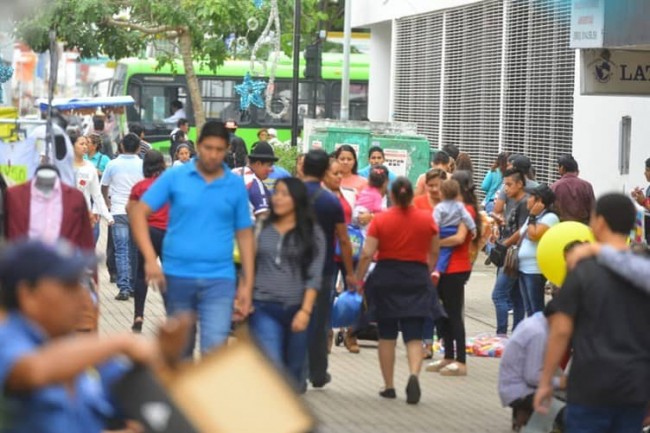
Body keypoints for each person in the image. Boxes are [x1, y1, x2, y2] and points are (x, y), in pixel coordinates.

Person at [0, 239, 160, 433]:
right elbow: (30, 370)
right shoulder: (8, 339)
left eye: (81, 284)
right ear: (28, 295)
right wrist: (121, 342)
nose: (83, 297)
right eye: (68, 285)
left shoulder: (77, 350)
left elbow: (128, 391)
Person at [131, 120, 255, 355]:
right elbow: (138, 213)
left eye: (219, 150)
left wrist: (248, 284)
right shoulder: (176, 177)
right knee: (181, 349)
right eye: (208, 148)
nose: (213, 155)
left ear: (227, 149)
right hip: (178, 276)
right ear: (198, 145)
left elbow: (245, 235)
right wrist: (149, 259)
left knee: (215, 349)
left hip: (220, 278)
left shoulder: (234, 185)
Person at [534, 193, 650, 433]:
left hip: (590, 384)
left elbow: (561, 330)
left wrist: (546, 380)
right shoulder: (643, 272)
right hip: (635, 385)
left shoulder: (583, 270)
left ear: (600, 222)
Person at [355, 177, 441, 404]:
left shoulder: (381, 220)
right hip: (416, 277)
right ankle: (413, 374)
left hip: (386, 277)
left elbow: (366, 253)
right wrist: (428, 270)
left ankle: (389, 385)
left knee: (387, 335)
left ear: (391, 196)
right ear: (411, 195)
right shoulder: (426, 219)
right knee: (413, 335)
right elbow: (434, 251)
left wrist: (358, 279)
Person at [249, 178, 326, 387]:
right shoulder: (262, 226)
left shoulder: (312, 232)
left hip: (297, 308)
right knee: (272, 364)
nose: (278, 198)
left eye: (284, 194)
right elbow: (250, 266)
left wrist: (305, 311)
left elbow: (315, 275)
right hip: (264, 305)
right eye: (276, 193)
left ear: (297, 199)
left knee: (293, 372)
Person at [302, 149, 356, 389]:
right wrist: (350, 273)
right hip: (322, 269)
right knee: (319, 320)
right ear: (324, 171)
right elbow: (344, 240)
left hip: (293, 268)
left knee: (297, 318)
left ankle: (297, 370)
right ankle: (318, 372)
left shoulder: (291, 194)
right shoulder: (330, 201)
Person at [426, 170, 480, 377]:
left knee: (454, 314)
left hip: (456, 268)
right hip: (441, 267)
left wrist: (435, 243)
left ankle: (461, 361)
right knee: (442, 314)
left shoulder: (466, 210)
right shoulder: (447, 208)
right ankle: (448, 355)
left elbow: (459, 238)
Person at [499, 303, 567, 431]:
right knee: (570, 414)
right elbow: (532, 376)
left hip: (512, 385)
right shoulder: (539, 333)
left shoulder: (534, 322)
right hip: (518, 391)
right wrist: (559, 382)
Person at [126, 150, 169, 333]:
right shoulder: (169, 186)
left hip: (147, 233)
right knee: (170, 274)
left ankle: (138, 316)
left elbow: (130, 210)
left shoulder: (139, 187)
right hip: (168, 233)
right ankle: (171, 315)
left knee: (141, 274)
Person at [101, 133, 144, 301]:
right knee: (134, 250)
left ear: (122, 146)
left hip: (118, 210)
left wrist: (107, 203)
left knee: (121, 250)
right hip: (137, 212)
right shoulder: (142, 164)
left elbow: (104, 186)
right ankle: (133, 286)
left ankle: (124, 288)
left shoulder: (112, 164)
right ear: (138, 148)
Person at [490, 168, 529, 335]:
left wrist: (504, 243)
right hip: (515, 254)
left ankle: (501, 334)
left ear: (520, 184)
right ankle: (516, 334)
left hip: (513, 256)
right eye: (504, 184)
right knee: (516, 298)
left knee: (498, 295)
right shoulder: (518, 203)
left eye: (509, 184)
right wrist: (501, 224)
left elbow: (521, 232)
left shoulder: (524, 204)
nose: (506, 189)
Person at [413, 168, 447, 359]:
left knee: (439, 301)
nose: (434, 189)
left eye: (438, 186)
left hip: (444, 259)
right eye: (430, 185)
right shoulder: (418, 203)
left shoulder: (450, 204)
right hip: (421, 258)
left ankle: (434, 341)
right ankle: (423, 341)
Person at [517, 184, 559, 316]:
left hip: (534, 270)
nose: (527, 199)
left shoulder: (550, 218)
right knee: (529, 309)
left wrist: (532, 216)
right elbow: (521, 233)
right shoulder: (533, 218)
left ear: (539, 201)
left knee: (536, 310)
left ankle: (540, 335)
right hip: (523, 268)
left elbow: (533, 235)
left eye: (531, 197)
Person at [433, 179, 477, 276]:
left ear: (441, 194)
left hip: (441, 231)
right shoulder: (460, 206)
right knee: (446, 251)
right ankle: (438, 270)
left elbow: (435, 221)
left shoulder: (439, 207)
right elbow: (467, 218)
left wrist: (434, 237)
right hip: (453, 230)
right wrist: (473, 228)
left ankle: (435, 269)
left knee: (437, 251)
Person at [72, 135, 113, 234]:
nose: (85, 146)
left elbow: (97, 195)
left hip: (85, 214)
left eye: (86, 144)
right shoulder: (64, 165)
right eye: (82, 144)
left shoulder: (90, 167)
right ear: (72, 146)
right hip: (68, 214)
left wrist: (107, 215)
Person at [233, 141, 278, 220]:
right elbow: (263, 218)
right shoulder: (255, 184)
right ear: (258, 163)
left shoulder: (233, 172)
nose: (271, 170)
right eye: (269, 165)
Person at [550, 155, 595, 224]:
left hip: (561, 227)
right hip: (582, 227)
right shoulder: (587, 186)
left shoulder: (554, 186)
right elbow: (593, 210)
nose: (557, 169)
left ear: (562, 168)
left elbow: (550, 210)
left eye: (558, 167)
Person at [354, 165, 389, 233]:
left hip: (357, 211)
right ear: (384, 182)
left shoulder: (365, 190)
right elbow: (377, 209)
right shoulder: (377, 195)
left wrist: (371, 216)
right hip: (361, 217)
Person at [631, 157, 650, 244]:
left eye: (647, 170)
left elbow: (647, 203)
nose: (644, 173)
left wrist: (644, 202)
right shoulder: (649, 189)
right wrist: (640, 198)